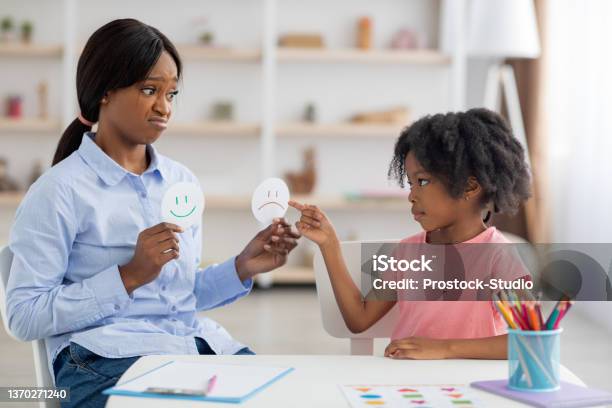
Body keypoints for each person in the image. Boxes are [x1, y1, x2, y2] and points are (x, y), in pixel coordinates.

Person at [6, 19, 300, 407]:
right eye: (149, 90)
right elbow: (24, 317)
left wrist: (242, 267)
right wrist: (127, 277)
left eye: (171, 93)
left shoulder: (181, 182)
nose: (164, 106)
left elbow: (180, 296)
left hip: (190, 347)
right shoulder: (58, 191)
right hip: (103, 360)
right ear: (105, 91)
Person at [291, 108, 532, 360]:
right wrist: (330, 244)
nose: (411, 195)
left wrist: (444, 349)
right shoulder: (406, 253)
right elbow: (359, 320)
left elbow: (530, 339)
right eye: (410, 183)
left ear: (469, 186)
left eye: (423, 181)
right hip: (403, 384)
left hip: (465, 388)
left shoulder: (499, 256)